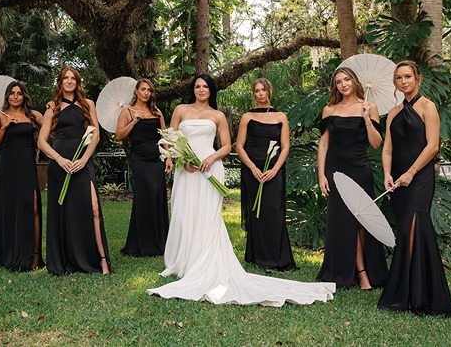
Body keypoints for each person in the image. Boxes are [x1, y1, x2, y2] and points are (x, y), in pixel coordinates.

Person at [147, 74, 335, 306]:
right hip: (187, 171)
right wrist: (182, 159)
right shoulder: (180, 110)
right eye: (197, 86)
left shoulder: (218, 115)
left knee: (208, 217)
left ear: (211, 90)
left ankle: (205, 262)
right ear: (192, 89)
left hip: (209, 169)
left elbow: (227, 145)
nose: (201, 89)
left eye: (205, 86)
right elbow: (169, 139)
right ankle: (182, 262)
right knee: (184, 215)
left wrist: (212, 157)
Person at [377, 61, 451, 317]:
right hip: (398, 181)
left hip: (419, 177)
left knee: (412, 228)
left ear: (417, 78)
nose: (403, 81)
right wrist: (387, 174)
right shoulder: (392, 113)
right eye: (398, 78)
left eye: (407, 76)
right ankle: (406, 294)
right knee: (406, 231)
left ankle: (419, 296)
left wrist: (411, 172)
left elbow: (433, 146)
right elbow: (388, 148)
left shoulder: (428, 106)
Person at [316, 67, 388, 290]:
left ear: (355, 81)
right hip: (336, 171)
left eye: (347, 79)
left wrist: (366, 118)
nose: (343, 84)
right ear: (334, 86)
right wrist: (321, 175)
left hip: (360, 169)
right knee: (344, 222)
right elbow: (324, 144)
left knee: (361, 222)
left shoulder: (369, 107)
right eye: (338, 82)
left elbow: (376, 143)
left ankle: (366, 270)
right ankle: (361, 275)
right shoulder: (329, 109)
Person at [38, 66, 111, 275]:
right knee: (63, 213)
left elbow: (95, 136)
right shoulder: (52, 108)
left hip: (83, 161)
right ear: (60, 83)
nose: (69, 82)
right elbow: (41, 141)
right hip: (60, 163)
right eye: (65, 78)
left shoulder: (88, 104)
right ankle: (64, 260)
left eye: (73, 78)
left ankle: (102, 260)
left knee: (94, 209)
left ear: (78, 82)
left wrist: (84, 159)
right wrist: (59, 159)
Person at [235, 78, 296, 272]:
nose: (260, 93)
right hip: (253, 169)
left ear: (269, 91)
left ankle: (279, 257)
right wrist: (253, 168)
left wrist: (275, 169)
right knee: (257, 213)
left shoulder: (281, 116)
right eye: (256, 91)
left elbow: (285, 146)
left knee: (274, 210)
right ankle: (261, 258)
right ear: (253, 94)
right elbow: (239, 146)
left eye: (263, 90)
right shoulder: (247, 116)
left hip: (274, 169)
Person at [0, 81, 45, 271]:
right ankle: (10, 253)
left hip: (27, 167)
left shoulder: (33, 115)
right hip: (7, 167)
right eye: (12, 93)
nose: (15, 96)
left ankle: (35, 256)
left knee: (33, 205)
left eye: (19, 93)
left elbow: (52, 126)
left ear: (24, 96)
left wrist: (52, 109)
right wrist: (4, 128)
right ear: (7, 96)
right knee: (9, 209)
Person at [114, 79, 171, 257]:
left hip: (157, 159)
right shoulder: (127, 111)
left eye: (149, 90)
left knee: (157, 195)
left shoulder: (157, 112)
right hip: (139, 159)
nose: (146, 93)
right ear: (136, 91)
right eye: (143, 89)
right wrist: (133, 122)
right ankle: (141, 244)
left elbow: (164, 136)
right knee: (143, 196)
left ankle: (160, 242)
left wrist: (168, 157)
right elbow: (118, 136)